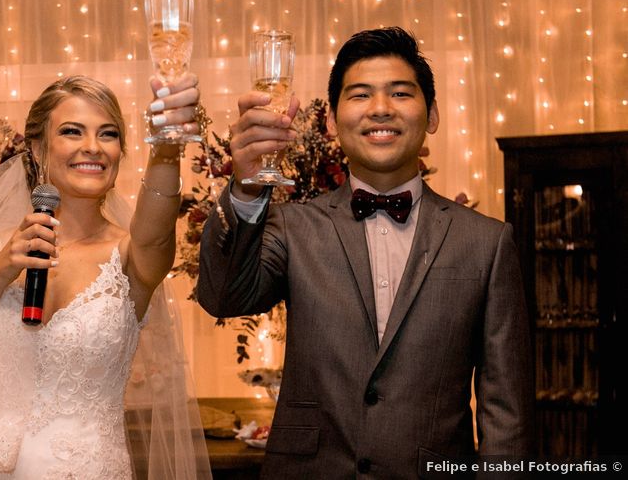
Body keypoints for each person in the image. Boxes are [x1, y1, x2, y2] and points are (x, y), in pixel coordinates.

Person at [197, 27, 534, 477]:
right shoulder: (292, 226)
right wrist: (244, 188)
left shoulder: (486, 243)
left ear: (431, 114)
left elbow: (505, 410)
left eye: (400, 93)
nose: (380, 109)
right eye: (359, 95)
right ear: (333, 121)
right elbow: (223, 298)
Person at [0, 75, 212, 479]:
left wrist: (167, 148)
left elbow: (155, 233)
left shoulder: (131, 256)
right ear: (37, 148)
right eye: (72, 131)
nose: (92, 147)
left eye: (108, 134)